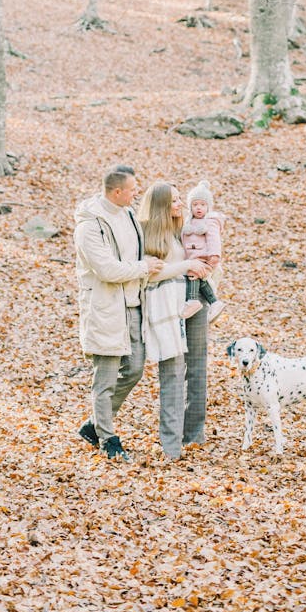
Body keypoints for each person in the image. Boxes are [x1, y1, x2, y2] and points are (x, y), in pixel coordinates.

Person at [74, 164, 162, 462]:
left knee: (135, 369)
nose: (136, 193)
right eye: (132, 189)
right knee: (106, 377)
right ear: (117, 192)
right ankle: (108, 438)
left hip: (133, 305)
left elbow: (133, 255)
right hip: (106, 308)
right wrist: (143, 267)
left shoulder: (127, 214)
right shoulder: (89, 227)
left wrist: (147, 265)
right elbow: (107, 270)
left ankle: (95, 425)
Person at [138, 181, 209, 461]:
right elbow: (151, 274)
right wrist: (186, 266)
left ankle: (194, 434)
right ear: (160, 207)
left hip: (195, 302)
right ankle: (171, 444)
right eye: (174, 201)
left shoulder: (186, 230)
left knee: (198, 369)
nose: (181, 205)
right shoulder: (149, 234)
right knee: (173, 371)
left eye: (181, 199)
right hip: (167, 308)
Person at [181, 180, 226, 323]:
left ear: (208, 207)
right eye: (195, 205)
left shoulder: (210, 222)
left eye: (202, 205)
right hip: (193, 256)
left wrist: (214, 256)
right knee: (200, 279)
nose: (198, 208)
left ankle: (192, 299)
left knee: (193, 275)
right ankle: (214, 302)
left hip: (203, 256)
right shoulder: (189, 222)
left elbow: (214, 240)